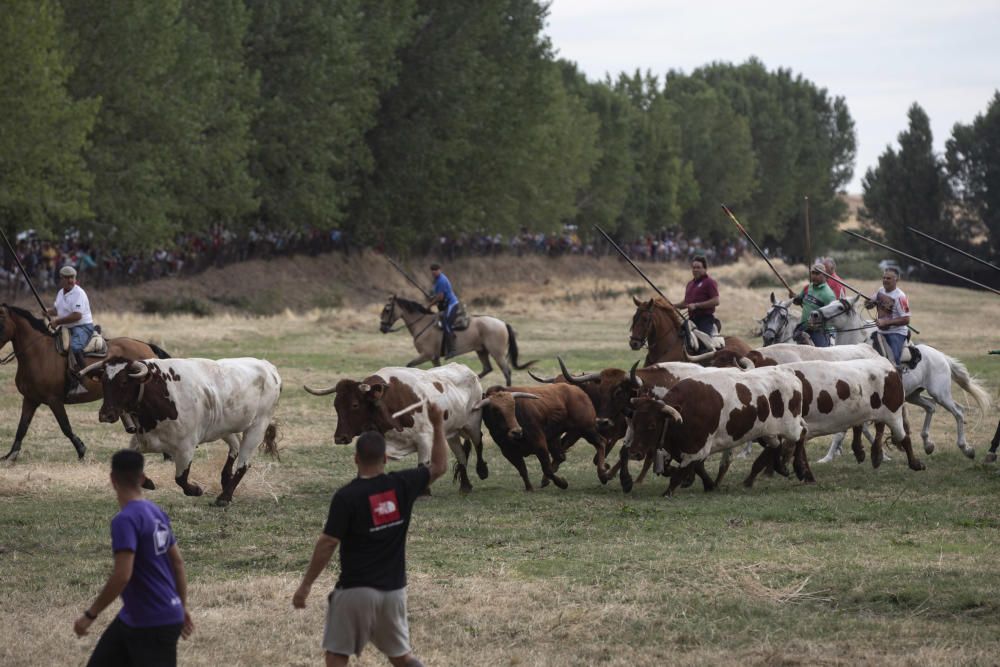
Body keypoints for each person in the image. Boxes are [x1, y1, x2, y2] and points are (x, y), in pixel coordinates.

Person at [293, 402, 449, 667]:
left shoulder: (347, 497)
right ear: (386, 458)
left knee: (337, 655)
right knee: (402, 657)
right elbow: (439, 466)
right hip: (394, 591)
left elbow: (328, 542)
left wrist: (306, 584)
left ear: (356, 459)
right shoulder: (403, 484)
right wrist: (437, 425)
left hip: (355, 591)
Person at [74, 449, 194, 666]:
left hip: (152, 622)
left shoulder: (125, 520)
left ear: (112, 480)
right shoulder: (156, 512)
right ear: (142, 477)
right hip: (139, 615)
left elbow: (122, 575)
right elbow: (178, 563)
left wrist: (90, 615)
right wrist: (181, 607)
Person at [47, 265, 94, 395]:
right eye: (67, 278)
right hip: (67, 327)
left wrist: (56, 321)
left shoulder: (79, 293)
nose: (70, 280)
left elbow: (77, 315)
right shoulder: (61, 293)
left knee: (75, 347)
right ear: (61, 279)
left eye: (72, 277)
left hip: (82, 326)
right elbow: (58, 310)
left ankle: (80, 379)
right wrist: (48, 311)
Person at [865, 266, 911, 366]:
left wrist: (886, 322)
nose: (885, 280)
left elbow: (906, 319)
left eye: (888, 278)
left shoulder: (900, 297)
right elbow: (869, 305)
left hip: (896, 333)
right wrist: (869, 303)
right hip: (880, 331)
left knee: (893, 363)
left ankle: (898, 378)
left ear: (896, 279)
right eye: (884, 278)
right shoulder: (880, 291)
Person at [673, 255, 720, 336]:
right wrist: (673, 305)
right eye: (693, 267)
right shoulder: (690, 284)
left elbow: (716, 301)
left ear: (705, 269)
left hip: (705, 320)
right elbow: (686, 303)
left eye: (698, 267)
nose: (695, 270)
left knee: (703, 344)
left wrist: (696, 305)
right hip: (691, 320)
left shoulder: (709, 282)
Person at [792, 263, 837, 347]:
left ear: (824, 275)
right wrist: (795, 298)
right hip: (802, 329)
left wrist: (818, 325)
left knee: (820, 355)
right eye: (812, 273)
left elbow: (832, 319)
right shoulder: (807, 287)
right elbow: (799, 301)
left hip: (818, 332)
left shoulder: (829, 295)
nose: (814, 276)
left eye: (817, 274)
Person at [428, 263, 460, 358]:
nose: (434, 273)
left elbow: (441, 297)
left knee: (446, 324)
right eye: (432, 272)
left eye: (435, 271)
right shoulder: (437, 280)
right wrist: (433, 297)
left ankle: (452, 350)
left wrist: (430, 305)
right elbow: (438, 295)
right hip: (446, 304)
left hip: (451, 304)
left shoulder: (441, 280)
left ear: (440, 270)